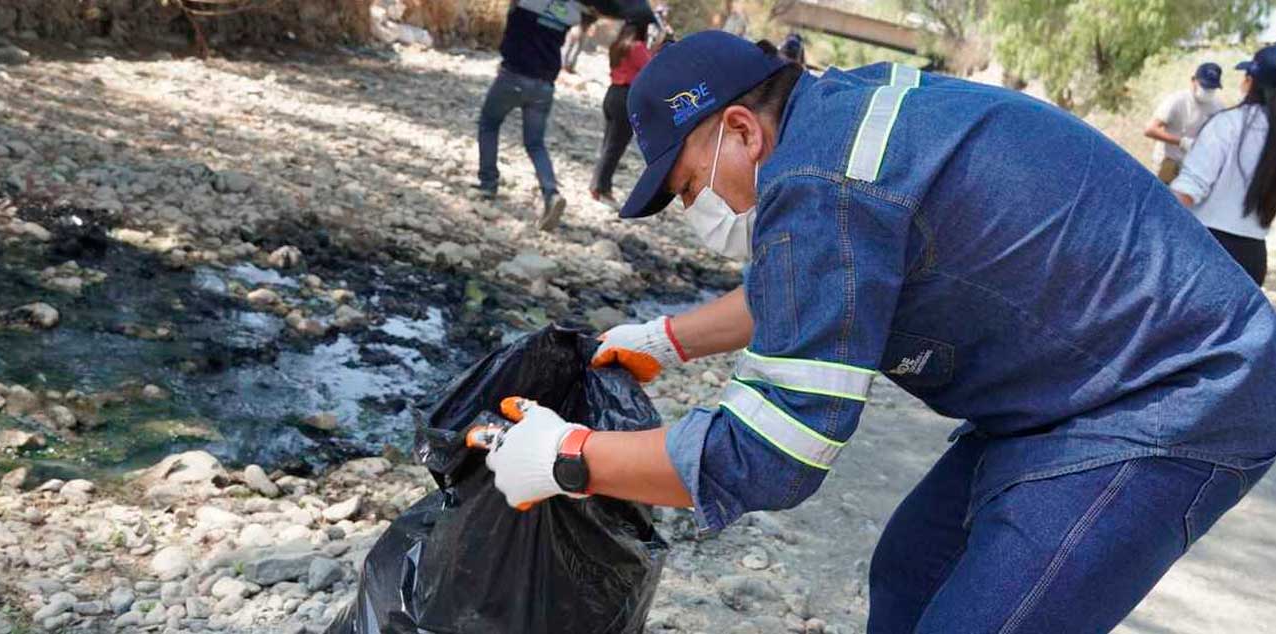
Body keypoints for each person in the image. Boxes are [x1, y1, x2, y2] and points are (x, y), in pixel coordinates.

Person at [482, 32, 1276, 633]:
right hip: (1071, 386)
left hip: (1171, 396)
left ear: (740, 130)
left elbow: (772, 455)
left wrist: (571, 460)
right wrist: (668, 338)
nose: (697, 213)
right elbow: (825, 283)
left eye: (688, 185)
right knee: (911, 571)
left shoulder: (818, 183)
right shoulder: (837, 124)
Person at [1172, 45, 1276, 286]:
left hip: (1207, 251)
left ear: (1250, 82)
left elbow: (1188, 190)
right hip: (1253, 259)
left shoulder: (1228, 124)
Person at [474, 0, 581, 232]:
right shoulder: (571, 11)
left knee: (489, 124)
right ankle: (551, 193)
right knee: (535, 143)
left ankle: (488, 184)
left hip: (512, 76)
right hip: (544, 86)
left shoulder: (525, 4)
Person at [589, 20, 668, 210]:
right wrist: (658, 45)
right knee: (616, 146)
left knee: (608, 143)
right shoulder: (637, 47)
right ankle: (602, 188)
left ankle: (596, 184)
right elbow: (651, 68)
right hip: (626, 98)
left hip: (612, 93)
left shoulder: (617, 46)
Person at [1144, 62, 1225, 184]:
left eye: (1211, 88)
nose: (1207, 91)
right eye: (1205, 86)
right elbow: (1150, 129)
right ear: (1193, 81)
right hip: (1169, 164)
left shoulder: (1218, 107)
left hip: (1195, 169)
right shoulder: (1177, 101)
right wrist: (1182, 142)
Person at [562, 8, 598, 74]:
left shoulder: (582, 11)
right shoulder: (587, 13)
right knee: (573, 49)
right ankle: (567, 66)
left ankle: (567, 66)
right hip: (579, 30)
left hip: (579, 29)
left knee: (572, 48)